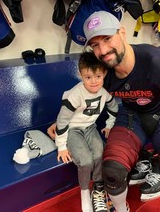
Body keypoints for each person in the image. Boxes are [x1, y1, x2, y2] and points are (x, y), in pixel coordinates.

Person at [48, 11, 160, 212]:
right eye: (95, 45)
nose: (103, 50)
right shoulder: (104, 70)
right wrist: (62, 122)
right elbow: (80, 93)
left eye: (107, 38)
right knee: (112, 171)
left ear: (122, 32)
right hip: (130, 118)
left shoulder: (156, 62)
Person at [54, 51, 118, 212]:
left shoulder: (104, 92)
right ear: (80, 75)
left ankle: (97, 188)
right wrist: (61, 146)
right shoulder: (75, 95)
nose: (94, 82)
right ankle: (84, 192)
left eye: (98, 76)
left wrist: (109, 124)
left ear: (104, 73)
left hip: (90, 128)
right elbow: (62, 121)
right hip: (72, 129)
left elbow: (114, 108)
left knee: (99, 153)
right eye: (88, 77)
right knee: (86, 160)